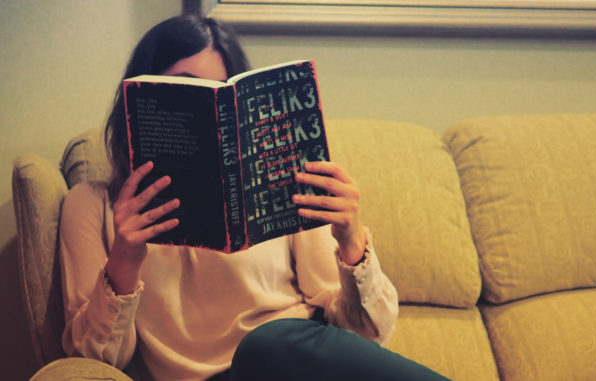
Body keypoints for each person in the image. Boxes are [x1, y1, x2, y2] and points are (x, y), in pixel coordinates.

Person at [59, 15, 451, 381]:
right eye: (187, 86)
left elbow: (365, 336)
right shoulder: (91, 206)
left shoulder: (282, 183)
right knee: (265, 344)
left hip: (295, 360)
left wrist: (351, 240)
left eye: (217, 89)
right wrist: (125, 259)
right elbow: (94, 365)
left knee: (271, 342)